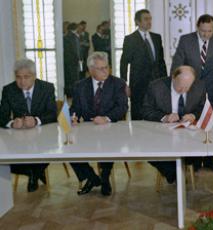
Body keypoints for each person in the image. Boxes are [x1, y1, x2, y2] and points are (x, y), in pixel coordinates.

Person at [171, 14, 213, 171]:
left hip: (212, 88)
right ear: (198, 27)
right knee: (194, 123)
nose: (206, 34)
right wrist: (175, 81)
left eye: (209, 31)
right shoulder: (186, 40)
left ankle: (210, 161)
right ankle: (195, 161)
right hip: (192, 88)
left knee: (209, 123)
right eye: (203, 31)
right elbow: (177, 63)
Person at [70, 52, 128, 196]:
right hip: (87, 130)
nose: (105, 71)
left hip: (110, 128)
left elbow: (122, 107)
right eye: (100, 68)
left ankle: (105, 177)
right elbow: (74, 108)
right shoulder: (80, 86)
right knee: (69, 148)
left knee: (109, 145)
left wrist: (106, 118)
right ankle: (91, 177)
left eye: (106, 67)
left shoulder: (118, 83)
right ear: (91, 70)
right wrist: (73, 117)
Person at [0, 58, 57, 192]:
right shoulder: (9, 90)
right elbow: (1, 116)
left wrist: (36, 120)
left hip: (44, 134)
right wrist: (12, 123)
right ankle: (35, 173)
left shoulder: (47, 88)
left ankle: (33, 174)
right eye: (18, 77)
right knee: (7, 157)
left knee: (51, 150)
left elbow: (53, 114)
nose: (22, 81)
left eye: (26, 77)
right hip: (18, 136)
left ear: (34, 76)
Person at [142, 66, 205, 183]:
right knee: (149, 151)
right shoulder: (156, 87)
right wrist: (164, 117)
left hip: (188, 136)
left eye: (187, 87)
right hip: (162, 135)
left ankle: (180, 172)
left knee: (200, 150)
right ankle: (173, 174)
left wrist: (193, 115)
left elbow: (202, 107)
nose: (183, 90)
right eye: (180, 86)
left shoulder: (199, 87)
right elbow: (146, 110)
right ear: (173, 78)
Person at [120, 9, 167, 120]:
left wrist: (165, 80)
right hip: (138, 84)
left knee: (157, 111)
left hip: (157, 82)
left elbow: (161, 61)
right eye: (146, 19)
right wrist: (124, 84)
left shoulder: (157, 38)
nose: (149, 21)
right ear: (138, 22)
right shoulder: (130, 39)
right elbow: (124, 63)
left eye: (150, 19)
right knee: (138, 114)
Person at [63, 23, 81, 98]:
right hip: (73, 61)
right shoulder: (73, 37)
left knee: (68, 77)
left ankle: (69, 93)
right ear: (76, 28)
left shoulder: (66, 36)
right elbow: (75, 50)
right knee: (74, 78)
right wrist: (79, 59)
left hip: (67, 60)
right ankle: (74, 93)